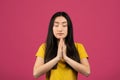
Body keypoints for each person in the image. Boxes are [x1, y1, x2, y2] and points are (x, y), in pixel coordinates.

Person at [33, 11, 91, 80]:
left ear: (69, 29)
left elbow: (87, 72)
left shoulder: (79, 47)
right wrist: (58, 58)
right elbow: (36, 73)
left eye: (64, 25)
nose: (60, 29)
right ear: (52, 28)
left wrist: (66, 58)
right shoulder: (44, 47)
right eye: (56, 25)